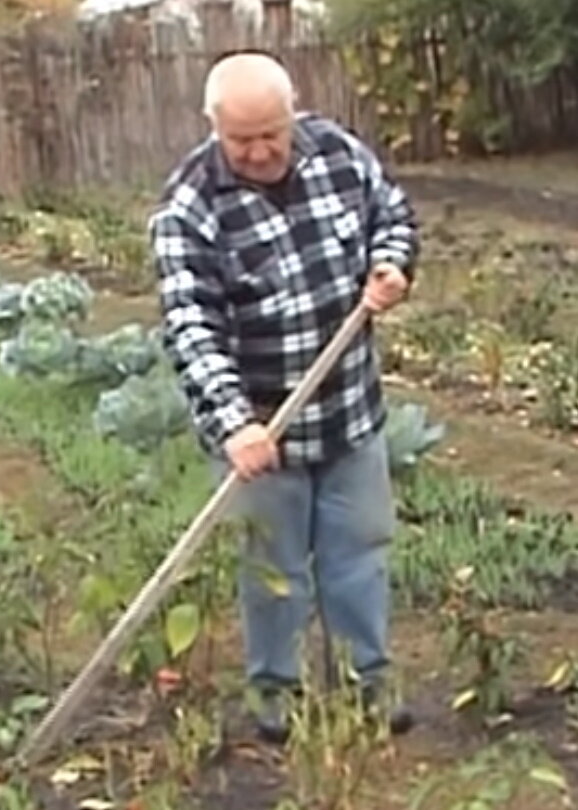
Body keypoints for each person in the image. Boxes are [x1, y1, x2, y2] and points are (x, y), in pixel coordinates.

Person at [148, 51, 419, 744]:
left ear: (292, 110)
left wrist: (390, 263)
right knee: (274, 570)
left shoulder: (336, 150)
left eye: (272, 131)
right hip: (262, 434)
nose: (262, 150)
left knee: (359, 551)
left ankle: (369, 682)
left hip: (350, 412)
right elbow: (191, 329)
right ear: (213, 127)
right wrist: (236, 423)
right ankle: (278, 693)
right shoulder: (190, 208)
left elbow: (392, 209)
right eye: (243, 139)